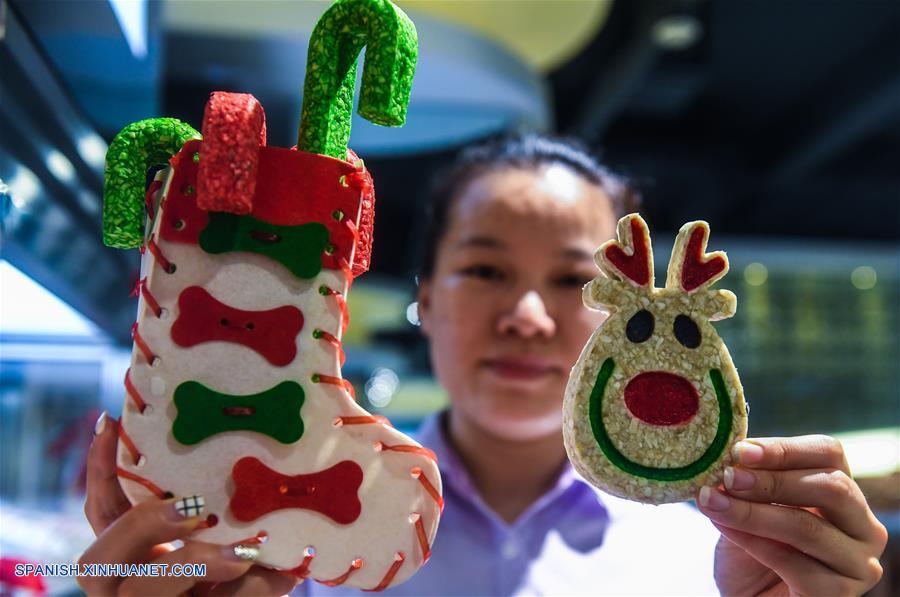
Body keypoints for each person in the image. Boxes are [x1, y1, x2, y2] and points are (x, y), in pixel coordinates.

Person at [79, 134, 887, 596]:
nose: (527, 315)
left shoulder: (718, 566)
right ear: (425, 297)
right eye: (486, 269)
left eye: (574, 279)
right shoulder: (277, 533)